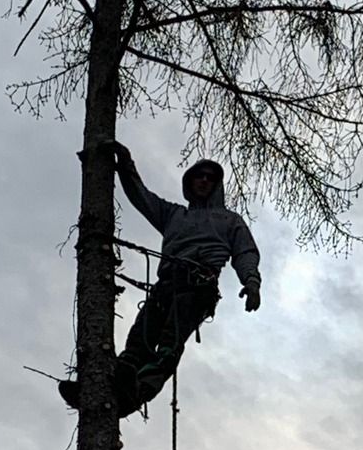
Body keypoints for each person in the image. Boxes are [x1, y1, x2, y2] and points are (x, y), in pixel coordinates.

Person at [59, 143, 261, 418]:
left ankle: (132, 396)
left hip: (197, 286)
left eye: (209, 178)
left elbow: (244, 251)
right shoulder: (174, 214)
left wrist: (251, 282)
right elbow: (142, 196)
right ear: (189, 182)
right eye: (198, 176)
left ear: (216, 185)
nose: (203, 180)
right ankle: (100, 391)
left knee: (167, 346)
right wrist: (125, 163)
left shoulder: (229, 220)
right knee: (137, 342)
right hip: (165, 285)